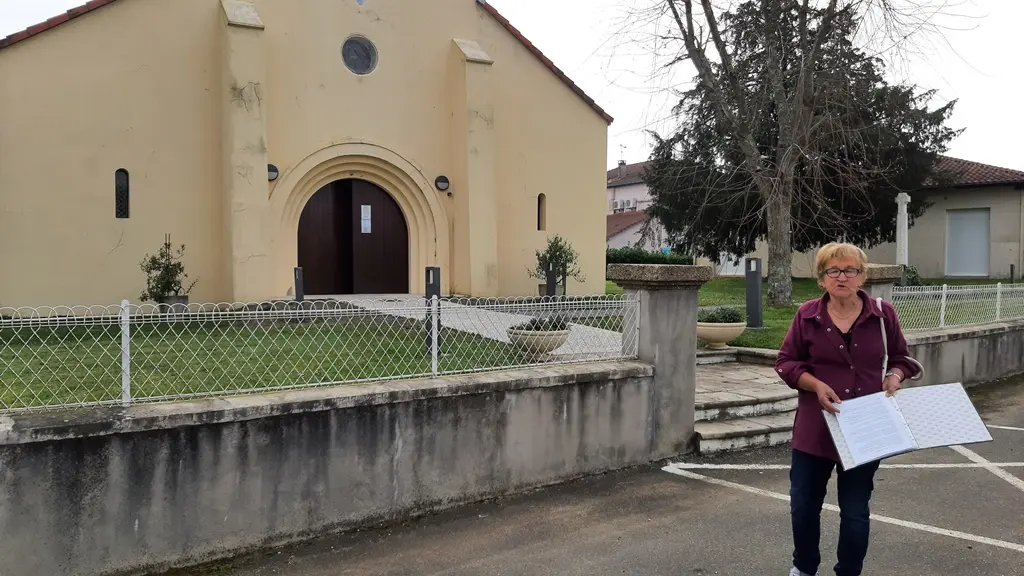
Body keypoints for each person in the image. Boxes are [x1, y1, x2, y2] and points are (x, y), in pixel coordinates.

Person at [776, 242, 920, 576]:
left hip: (866, 430)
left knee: (855, 512)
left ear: (861, 276)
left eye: (850, 270)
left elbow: (903, 358)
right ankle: (804, 567)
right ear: (822, 279)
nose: (842, 277)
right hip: (815, 430)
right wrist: (814, 384)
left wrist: (894, 376)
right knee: (803, 508)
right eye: (834, 271)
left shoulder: (883, 315)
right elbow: (785, 363)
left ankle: (849, 571)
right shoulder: (807, 316)